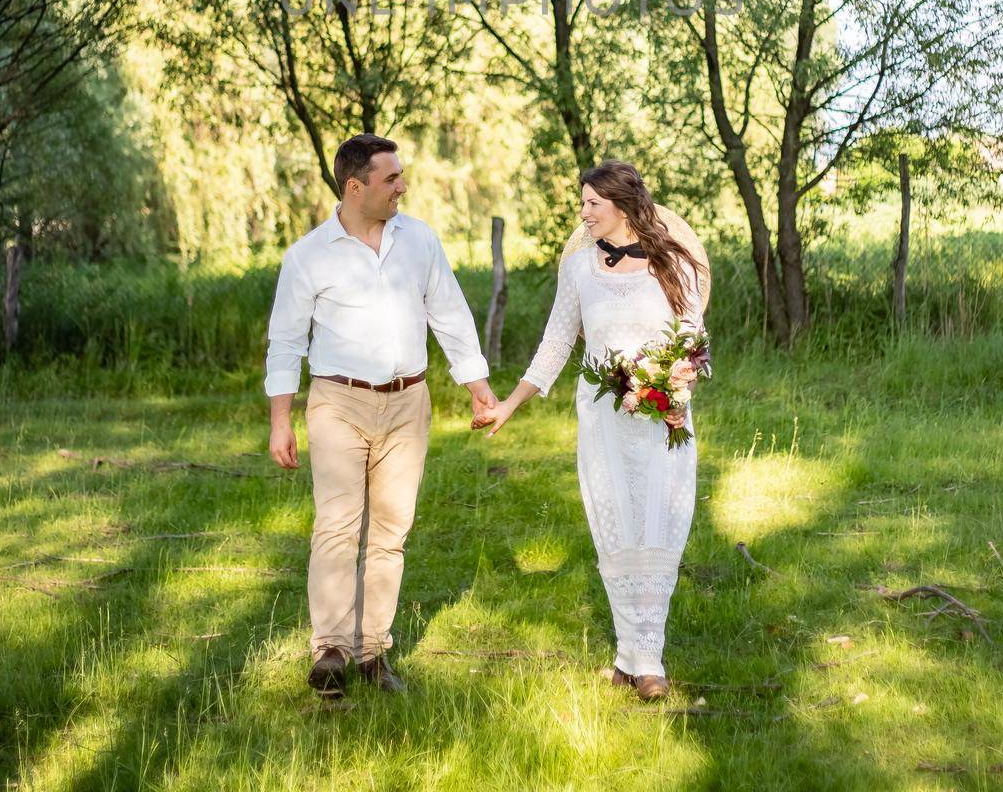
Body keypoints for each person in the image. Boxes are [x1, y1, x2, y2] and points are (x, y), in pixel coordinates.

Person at [265, 133, 497, 698]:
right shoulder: (309, 255)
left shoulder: (418, 240)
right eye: (391, 178)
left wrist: (478, 388)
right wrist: (280, 420)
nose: (402, 186)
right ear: (355, 186)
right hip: (337, 402)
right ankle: (330, 653)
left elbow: (450, 314)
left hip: (407, 402)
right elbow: (285, 342)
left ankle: (372, 652)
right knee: (338, 526)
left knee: (391, 531)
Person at [472, 160, 710, 701]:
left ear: (622, 206)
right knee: (615, 528)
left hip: (661, 417)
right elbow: (557, 344)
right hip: (603, 417)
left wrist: (678, 387)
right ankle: (631, 658)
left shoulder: (677, 266)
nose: (583, 214)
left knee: (659, 526)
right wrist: (509, 404)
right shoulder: (580, 270)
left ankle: (650, 660)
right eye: (582, 204)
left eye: (591, 205)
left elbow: (694, 340)